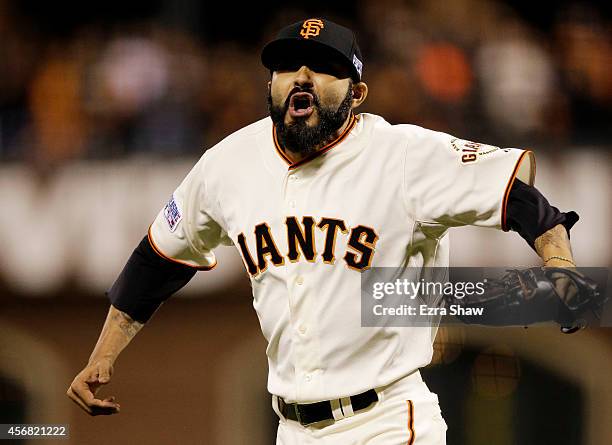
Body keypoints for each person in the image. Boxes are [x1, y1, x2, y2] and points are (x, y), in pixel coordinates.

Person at [67, 18, 579, 444]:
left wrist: (560, 268)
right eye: (288, 66)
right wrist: (101, 357)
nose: (303, 76)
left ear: (356, 93)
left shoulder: (400, 154)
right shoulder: (226, 164)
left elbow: (524, 203)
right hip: (292, 430)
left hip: (387, 422)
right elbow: (159, 259)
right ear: (270, 84)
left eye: (325, 68)